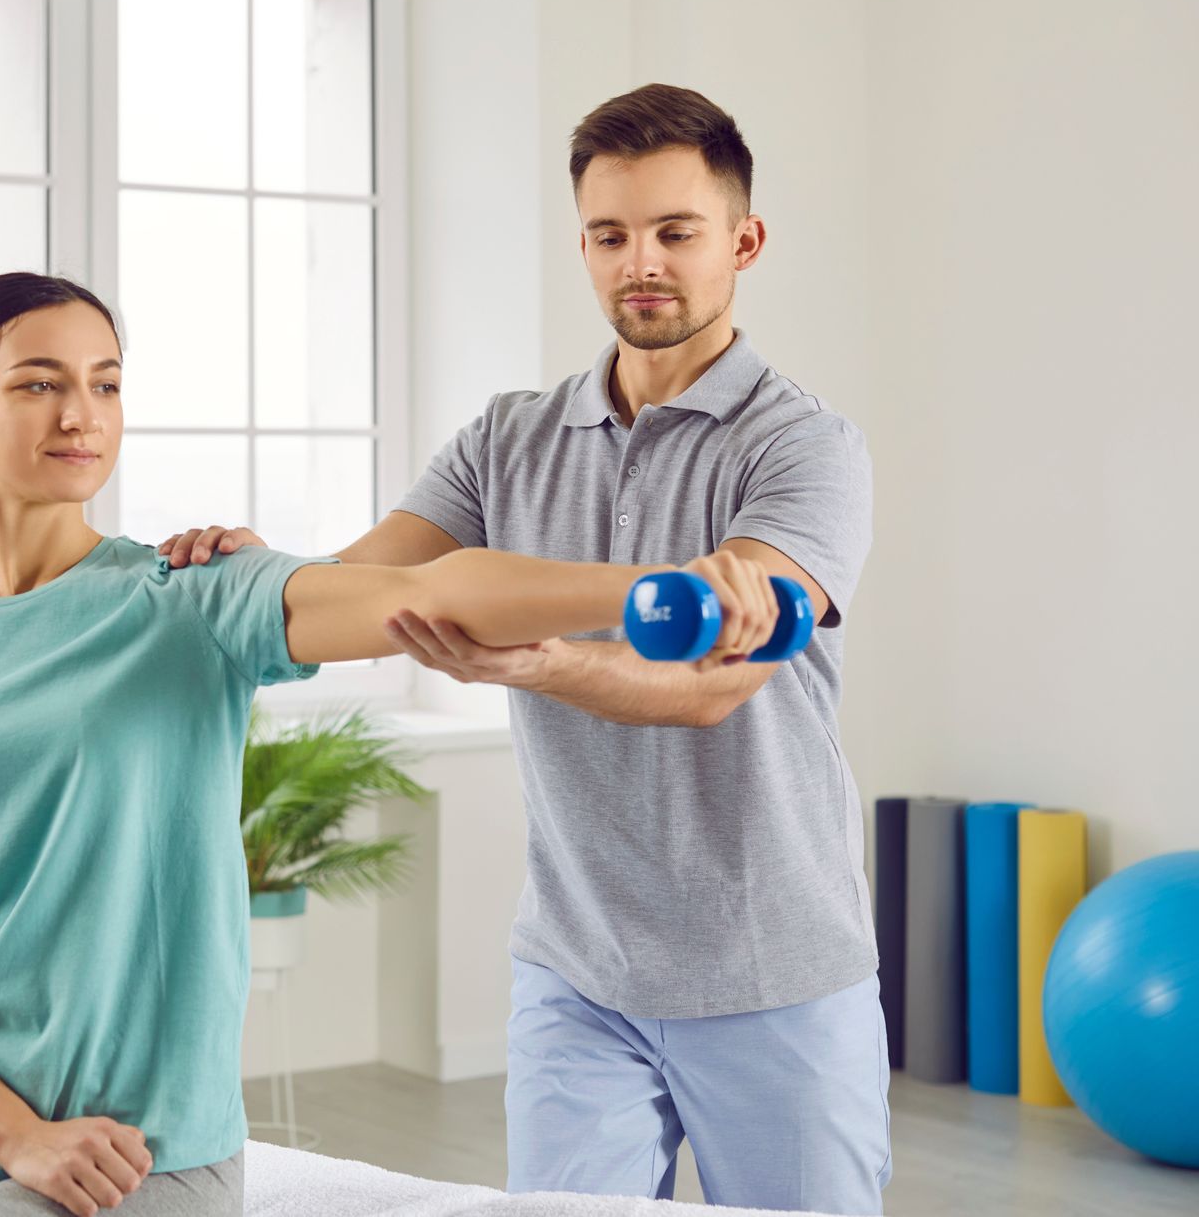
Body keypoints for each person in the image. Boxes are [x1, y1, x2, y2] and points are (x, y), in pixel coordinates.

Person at [0, 271, 785, 1217]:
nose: (81, 414)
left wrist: (659, 590)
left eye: (106, 383)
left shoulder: (186, 598)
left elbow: (425, 588)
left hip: (139, 1152)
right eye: (39, 382)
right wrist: (11, 1132)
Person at [161, 84, 886, 1215]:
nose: (639, 262)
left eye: (674, 232)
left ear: (743, 241)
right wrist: (269, 573)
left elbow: (711, 688)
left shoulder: (807, 447)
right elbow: (364, 584)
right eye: (609, 235)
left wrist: (545, 665)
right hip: (577, 972)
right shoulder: (508, 438)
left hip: (772, 972)